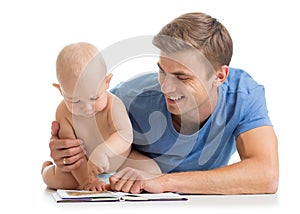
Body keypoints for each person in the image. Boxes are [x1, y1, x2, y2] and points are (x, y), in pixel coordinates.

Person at [48, 12, 279, 194]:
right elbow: (82, 106)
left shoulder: (243, 94)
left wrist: (164, 182)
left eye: (182, 77)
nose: (166, 88)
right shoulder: (130, 99)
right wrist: (67, 151)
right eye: (162, 71)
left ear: (219, 76)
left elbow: (267, 175)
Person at [41, 42, 161, 191]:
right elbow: (73, 153)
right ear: (60, 90)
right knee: (55, 179)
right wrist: (87, 181)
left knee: (153, 171)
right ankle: (45, 168)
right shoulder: (63, 112)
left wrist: (103, 151)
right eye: (75, 100)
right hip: (83, 168)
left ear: (107, 82)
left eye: (94, 98)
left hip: (121, 163)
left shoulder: (113, 105)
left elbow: (125, 135)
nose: (86, 108)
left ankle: (114, 181)